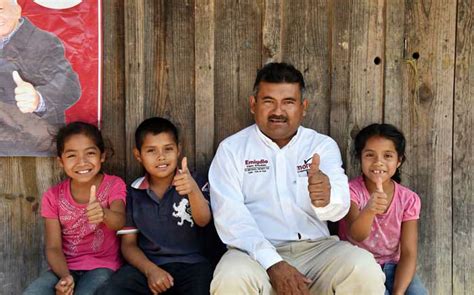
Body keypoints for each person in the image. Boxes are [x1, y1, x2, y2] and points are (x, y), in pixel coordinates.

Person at [208, 62, 385, 295]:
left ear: (303, 107)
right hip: (253, 254)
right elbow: (231, 218)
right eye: (268, 101)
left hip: (318, 251)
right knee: (230, 277)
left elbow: (340, 207)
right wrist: (273, 263)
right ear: (253, 105)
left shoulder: (321, 146)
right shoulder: (232, 150)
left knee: (362, 268)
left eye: (288, 102)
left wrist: (326, 199)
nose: (278, 111)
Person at [101, 117, 214, 295]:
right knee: (113, 289)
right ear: (138, 155)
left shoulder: (194, 182)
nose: (161, 156)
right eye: (151, 150)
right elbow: (128, 245)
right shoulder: (133, 193)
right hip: (150, 264)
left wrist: (192, 191)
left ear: (178, 150)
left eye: (168, 149)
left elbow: (203, 220)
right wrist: (150, 270)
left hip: (193, 264)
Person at [22, 122, 127, 295]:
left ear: (102, 156)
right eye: (72, 156)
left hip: (102, 267)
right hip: (64, 267)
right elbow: (53, 247)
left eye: (90, 153)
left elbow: (119, 221)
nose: (82, 162)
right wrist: (65, 277)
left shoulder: (114, 185)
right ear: (60, 161)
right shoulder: (53, 196)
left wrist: (104, 213)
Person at [338, 123, 427, 295]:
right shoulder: (350, 192)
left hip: (393, 267)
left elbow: (408, 253)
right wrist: (369, 210)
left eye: (387, 156)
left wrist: (398, 292)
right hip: (358, 269)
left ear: (399, 160)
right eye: (370, 155)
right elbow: (356, 235)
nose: (378, 162)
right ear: (360, 158)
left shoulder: (408, 199)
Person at [0, 0, 81, 156]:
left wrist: (39, 99)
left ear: (17, 11)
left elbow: (70, 86)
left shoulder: (44, 42)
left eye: (0, 9)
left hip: (33, 143)